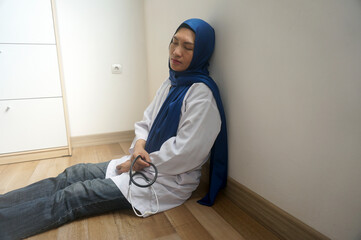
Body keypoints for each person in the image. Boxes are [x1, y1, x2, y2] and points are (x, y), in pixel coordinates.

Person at [0, 18, 228, 239]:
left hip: (166, 180)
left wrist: (136, 162)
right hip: (143, 161)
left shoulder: (202, 96)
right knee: (73, 173)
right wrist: (139, 146)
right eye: (174, 42)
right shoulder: (172, 82)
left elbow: (186, 154)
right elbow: (147, 121)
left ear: (201, 53)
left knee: (74, 196)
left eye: (187, 47)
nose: (176, 51)